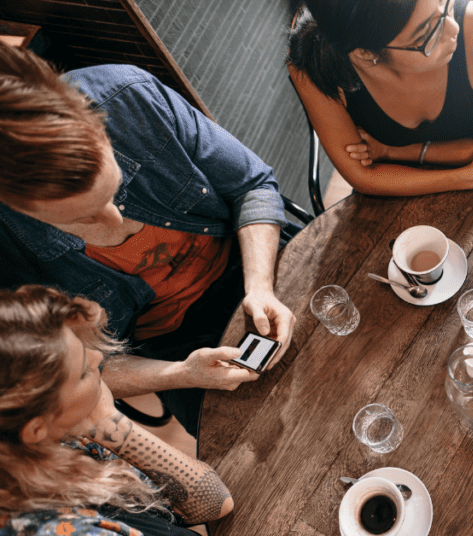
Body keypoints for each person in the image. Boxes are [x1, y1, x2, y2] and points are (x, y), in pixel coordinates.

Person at [0, 44, 296, 439]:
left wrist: (259, 285)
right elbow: (76, 371)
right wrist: (183, 374)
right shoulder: (7, 251)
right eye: (82, 217)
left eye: (114, 189)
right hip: (175, 343)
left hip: (253, 260)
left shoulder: (128, 96)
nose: (115, 219)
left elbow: (252, 186)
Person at [0, 285, 233, 536]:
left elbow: (214, 503)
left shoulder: (65, 437)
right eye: (82, 372)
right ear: (36, 428)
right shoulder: (62, 530)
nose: (97, 359)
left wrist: (106, 419)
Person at [287, 0, 473, 197]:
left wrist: (392, 153)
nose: (453, 30)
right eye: (427, 34)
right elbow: (362, 177)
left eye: (443, 3)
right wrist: (468, 176)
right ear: (366, 54)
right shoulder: (312, 62)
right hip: (388, 202)